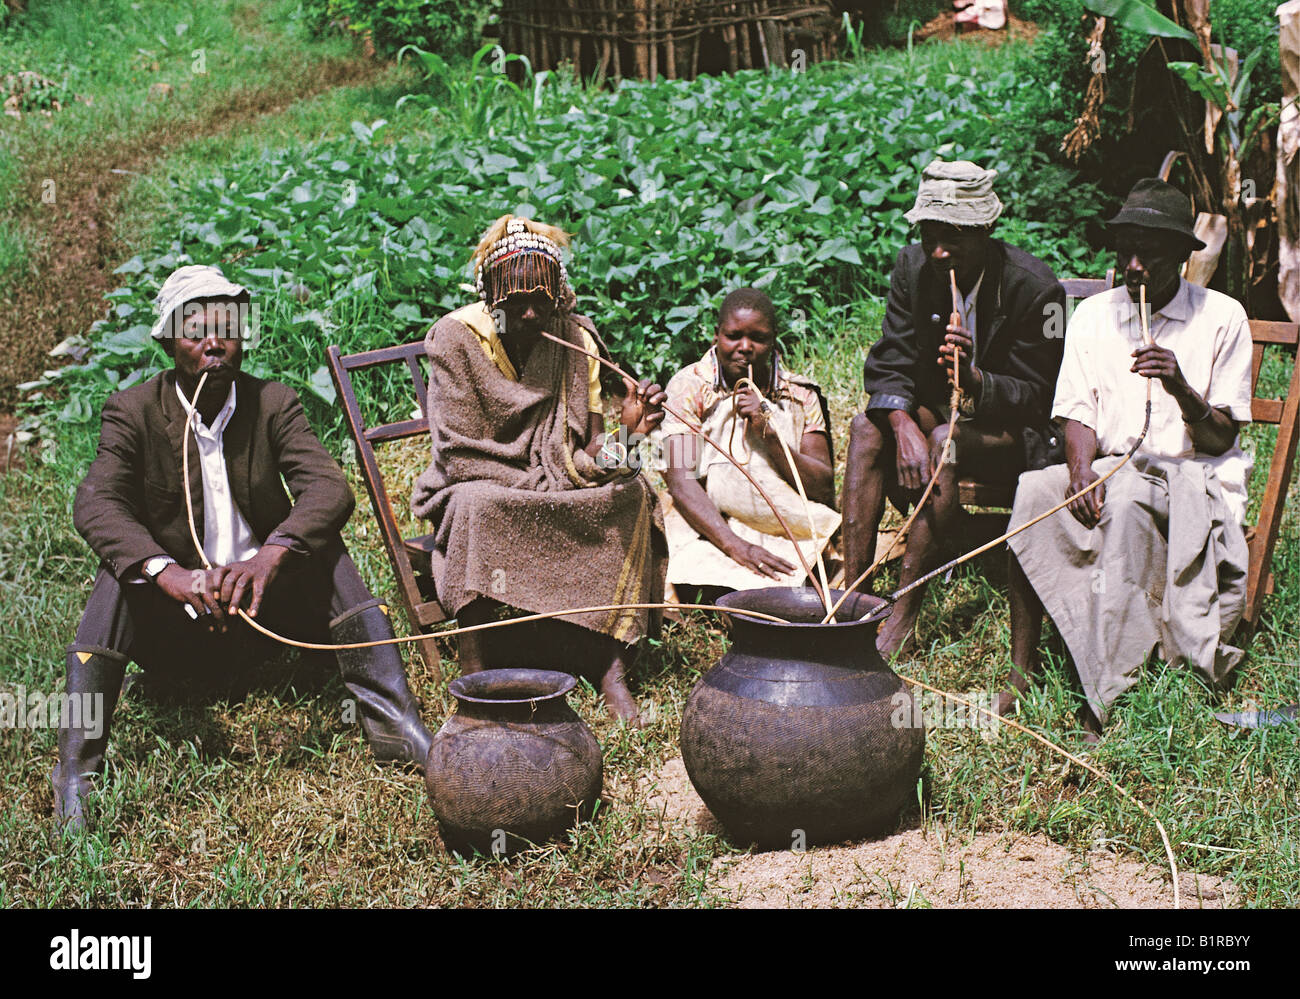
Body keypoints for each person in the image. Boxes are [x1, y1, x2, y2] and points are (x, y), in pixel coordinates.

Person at [54, 265, 434, 831]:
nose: (213, 342)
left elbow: (328, 489)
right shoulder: (132, 412)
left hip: (265, 613)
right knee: (119, 576)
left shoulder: (273, 403)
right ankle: (77, 770)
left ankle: (395, 725)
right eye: (194, 331)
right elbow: (97, 505)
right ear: (167, 343)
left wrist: (271, 555)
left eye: (226, 328)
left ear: (241, 339)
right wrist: (167, 573)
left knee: (321, 545)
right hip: (178, 624)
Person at [998, 178, 1253, 737]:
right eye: (1125, 251)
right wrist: (1080, 469)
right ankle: (1023, 664)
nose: (1133, 266)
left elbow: (1219, 439)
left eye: (1150, 254)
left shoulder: (1223, 316)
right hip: (1114, 466)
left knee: (1130, 500)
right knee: (1032, 491)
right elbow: (1077, 412)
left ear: (1183, 257)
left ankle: (1108, 690)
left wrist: (1182, 388)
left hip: (1192, 476)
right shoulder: (1093, 315)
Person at [411, 216, 667, 725]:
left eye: (542, 302)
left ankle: (610, 663)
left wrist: (631, 435)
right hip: (478, 482)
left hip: (560, 478)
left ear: (559, 296)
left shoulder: (575, 340)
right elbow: (458, 454)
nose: (530, 314)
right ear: (491, 300)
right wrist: (551, 480)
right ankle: (476, 668)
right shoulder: (455, 339)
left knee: (635, 491)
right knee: (477, 507)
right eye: (514, 304)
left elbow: (590, 448)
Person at [842, 159, 1066, 655]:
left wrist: (978, 380)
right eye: (930, 234)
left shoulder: (1040, 290)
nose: (940, 251)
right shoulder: (913, 268)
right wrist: (900, 421)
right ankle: (850, 603)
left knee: (944, 442)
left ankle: (904, 613)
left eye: (956, 237)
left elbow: (1043, 396)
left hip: (1011, 435)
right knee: (866, 429)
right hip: (938, 416)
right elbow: (891, 357)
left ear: (987, 229)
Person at [659, 288, 837, 599]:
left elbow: (822, 486)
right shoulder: (691, 385)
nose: (745, 348)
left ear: (773, 340)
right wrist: (736, 546)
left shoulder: (800, 394)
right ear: (716, 336)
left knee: (804, 574)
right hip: (711, 524)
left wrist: (767, 431)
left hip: (786, 525)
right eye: (733, 336)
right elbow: (680, 478)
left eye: (758, 338)